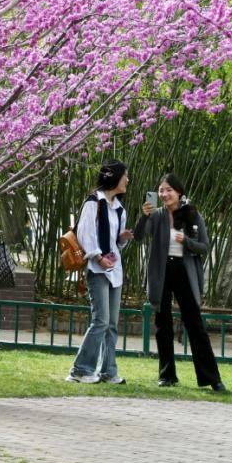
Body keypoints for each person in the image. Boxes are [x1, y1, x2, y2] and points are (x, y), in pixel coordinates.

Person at [134, 173, 226, 391]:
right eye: (161, 190)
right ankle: (166, 375)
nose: (164, 194)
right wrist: (143, 216)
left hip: (184, 271)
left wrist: (187, 241)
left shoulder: (193, 216)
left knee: (195, 324)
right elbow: (138, 236)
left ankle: (212, 378)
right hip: (162, 271)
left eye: (169, 190)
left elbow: (204, 247)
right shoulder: (155, 215)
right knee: (162, 324)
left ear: (179, 193)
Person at [66, 160, 135, 384]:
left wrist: (122, 239)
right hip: (97, 269)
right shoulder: (93, 203)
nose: (128, 180)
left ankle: (108, 371)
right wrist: (97, 257)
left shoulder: (118, 207)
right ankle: (80, 370)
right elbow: (86, 234)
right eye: (125, 175)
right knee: (101, 321)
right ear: (114, 177)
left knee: (112, 324)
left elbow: (115, 242)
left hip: (114, 269)